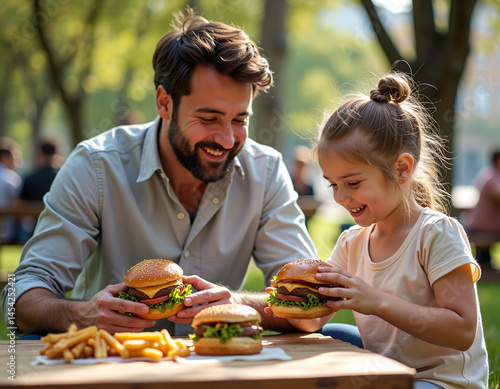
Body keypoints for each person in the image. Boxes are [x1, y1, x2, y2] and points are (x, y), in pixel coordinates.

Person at [1, 9, 316, 338]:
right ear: (164, 103)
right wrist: (84, 313)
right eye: (209, 118)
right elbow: (19, 297)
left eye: (239, 120)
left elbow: (311, 309)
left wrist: (236, 302)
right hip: (112, 365)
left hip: (217, 368)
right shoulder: (95, 165)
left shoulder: (265, 170)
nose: (226, 139)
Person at [272, 73, 488, 388]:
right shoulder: (350, 242)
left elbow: (462, 330)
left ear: (401, 168)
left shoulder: (436, 233)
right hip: (389, 373)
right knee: (331, 336)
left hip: (439, 381)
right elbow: (311, 321)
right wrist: (292, 299)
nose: (341, 197)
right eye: (333, 184)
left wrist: (376, 302)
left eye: (353, 183)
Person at [15, 140, 62, 242]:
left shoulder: (31, 178)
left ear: (39, 153)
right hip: (60, 227)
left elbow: (19, 205)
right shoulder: (62, 177)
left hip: (35, 229)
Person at [466, 149, 500, 269]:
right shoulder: (492, 178)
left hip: (482, 224)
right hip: (484, 227)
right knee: (483, 258)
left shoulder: (487, 174)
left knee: (483, 258)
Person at [0, 143, 22, 242]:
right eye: (14, 159)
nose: (17, 163)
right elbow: (17, 203)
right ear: (5, 158)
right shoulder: (11, 176)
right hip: (6, 228)